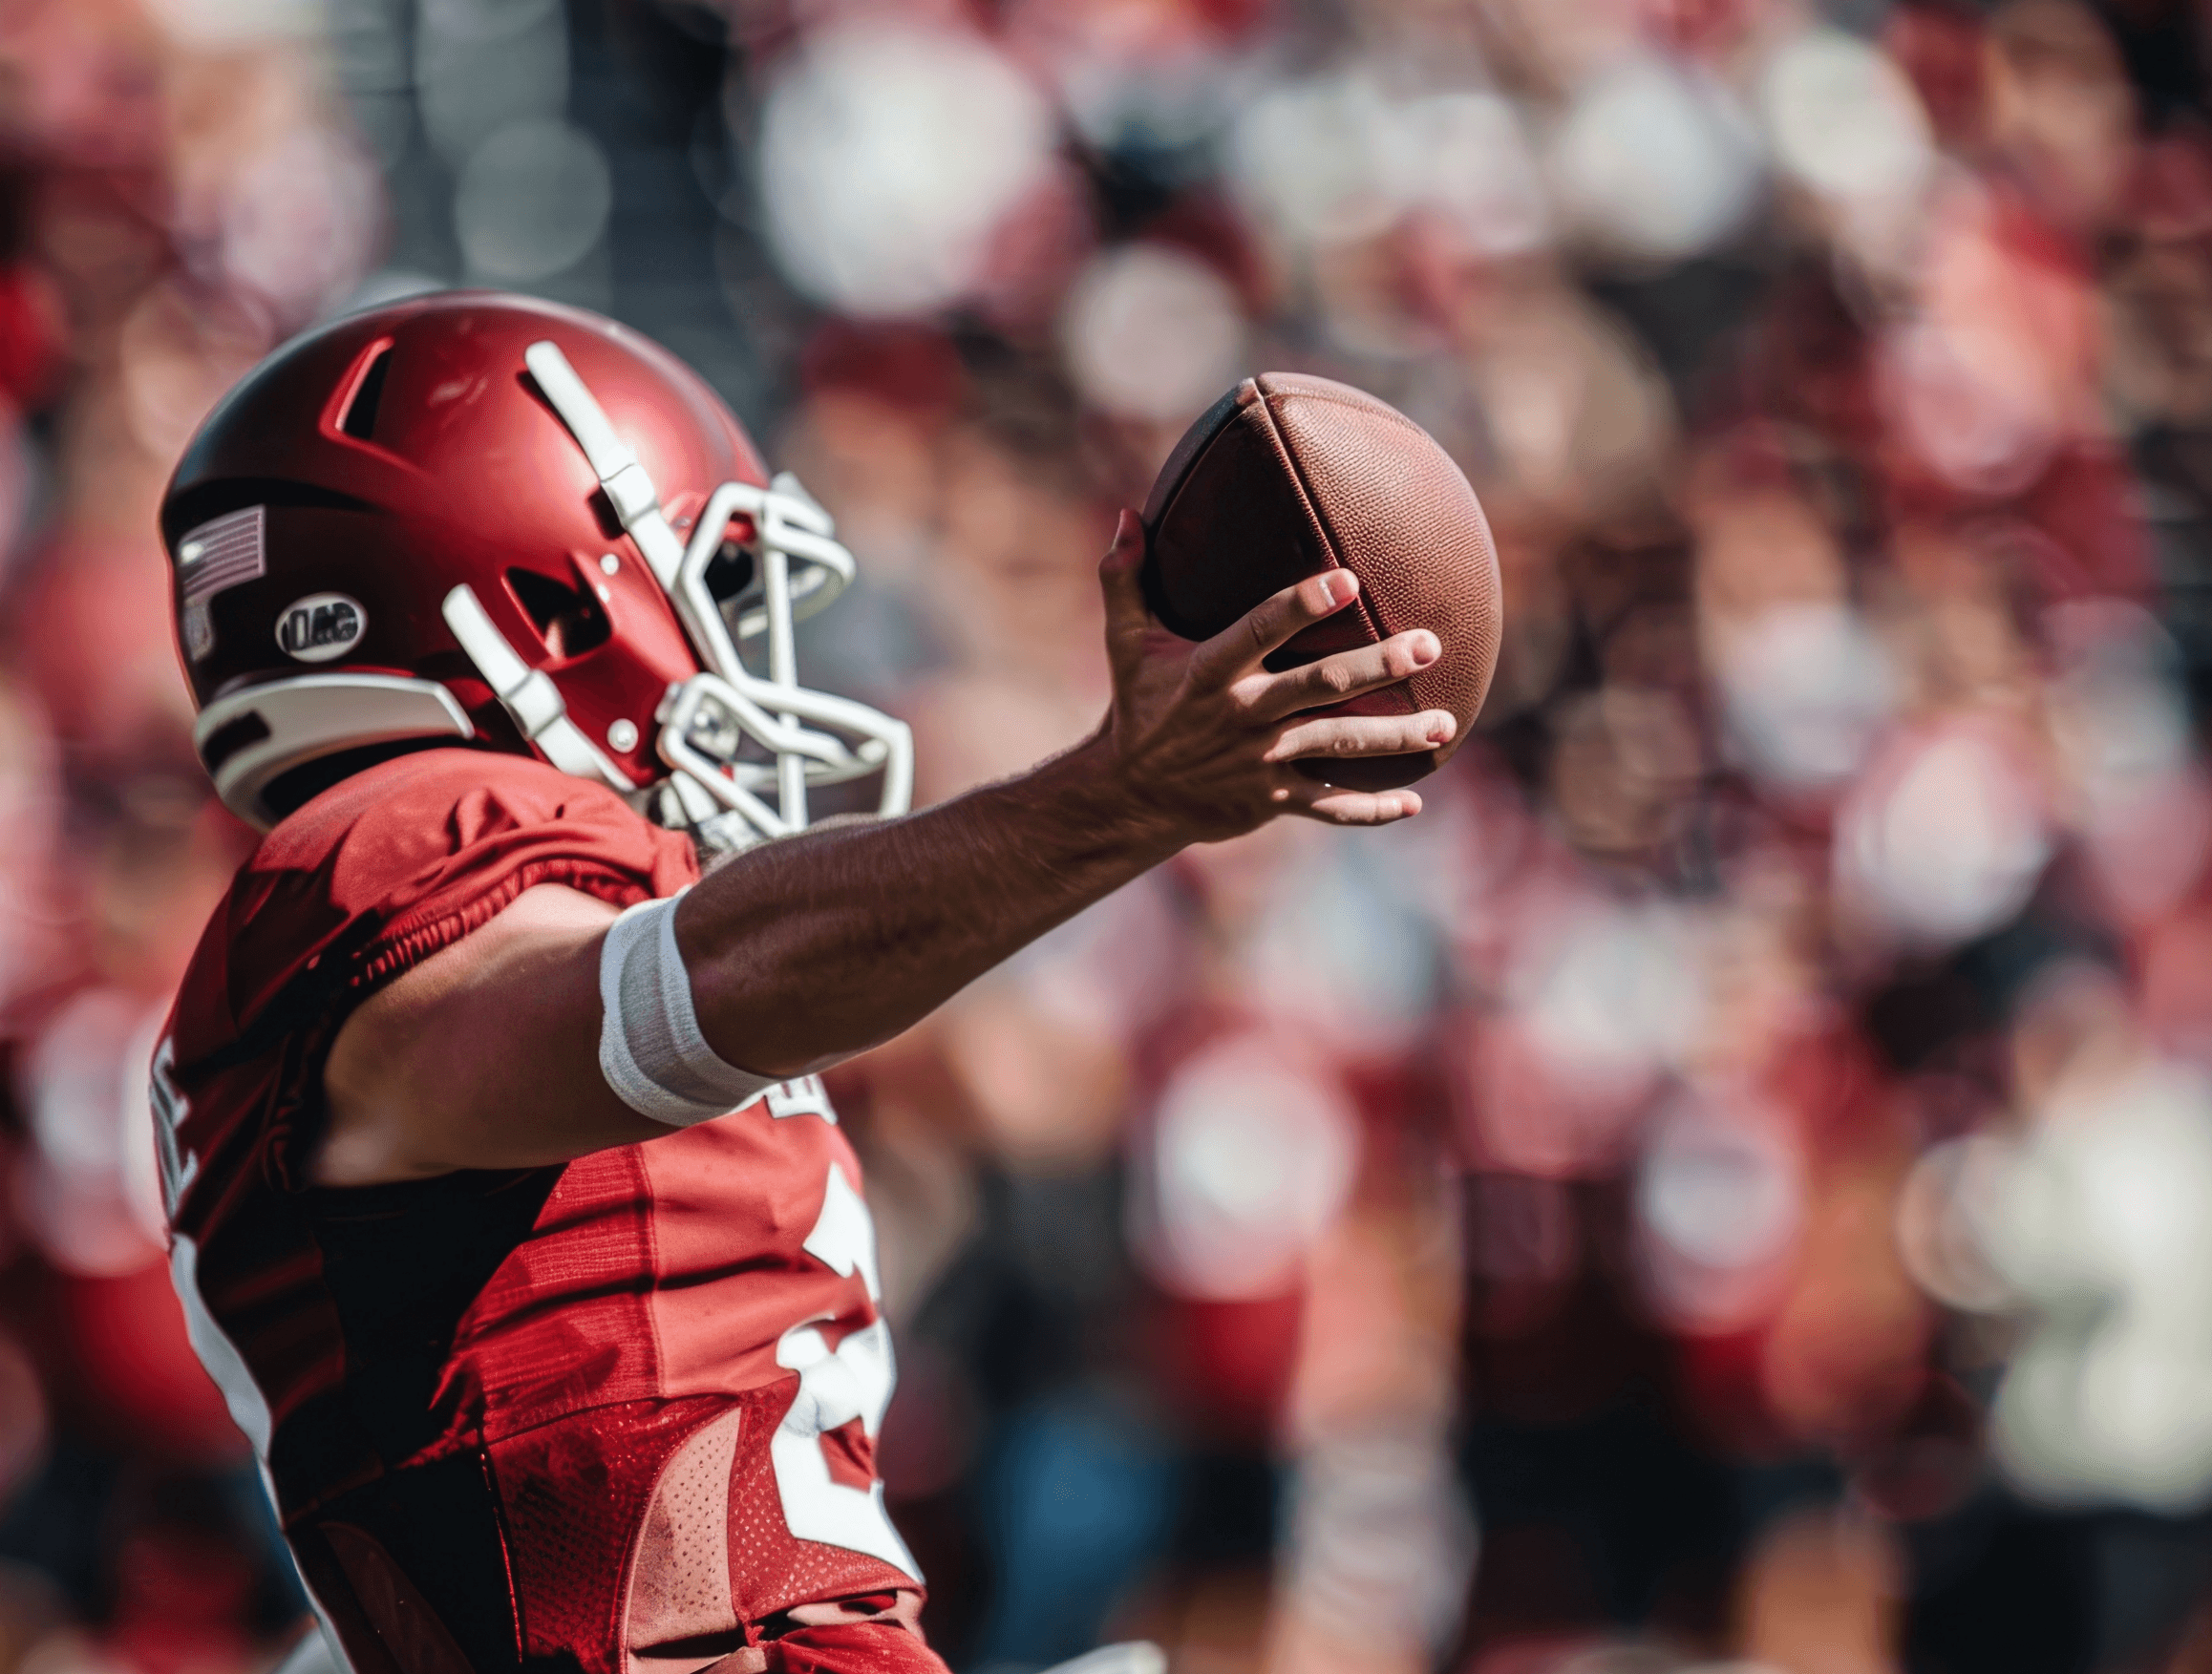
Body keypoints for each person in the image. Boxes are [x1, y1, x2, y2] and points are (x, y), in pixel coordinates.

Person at [147, 292, 1454, 1674]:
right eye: (714, 587)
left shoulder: (409, 900)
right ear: (535, 597)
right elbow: (651, 1003)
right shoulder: (396, 839)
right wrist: (1116, 802)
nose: (743, 647)